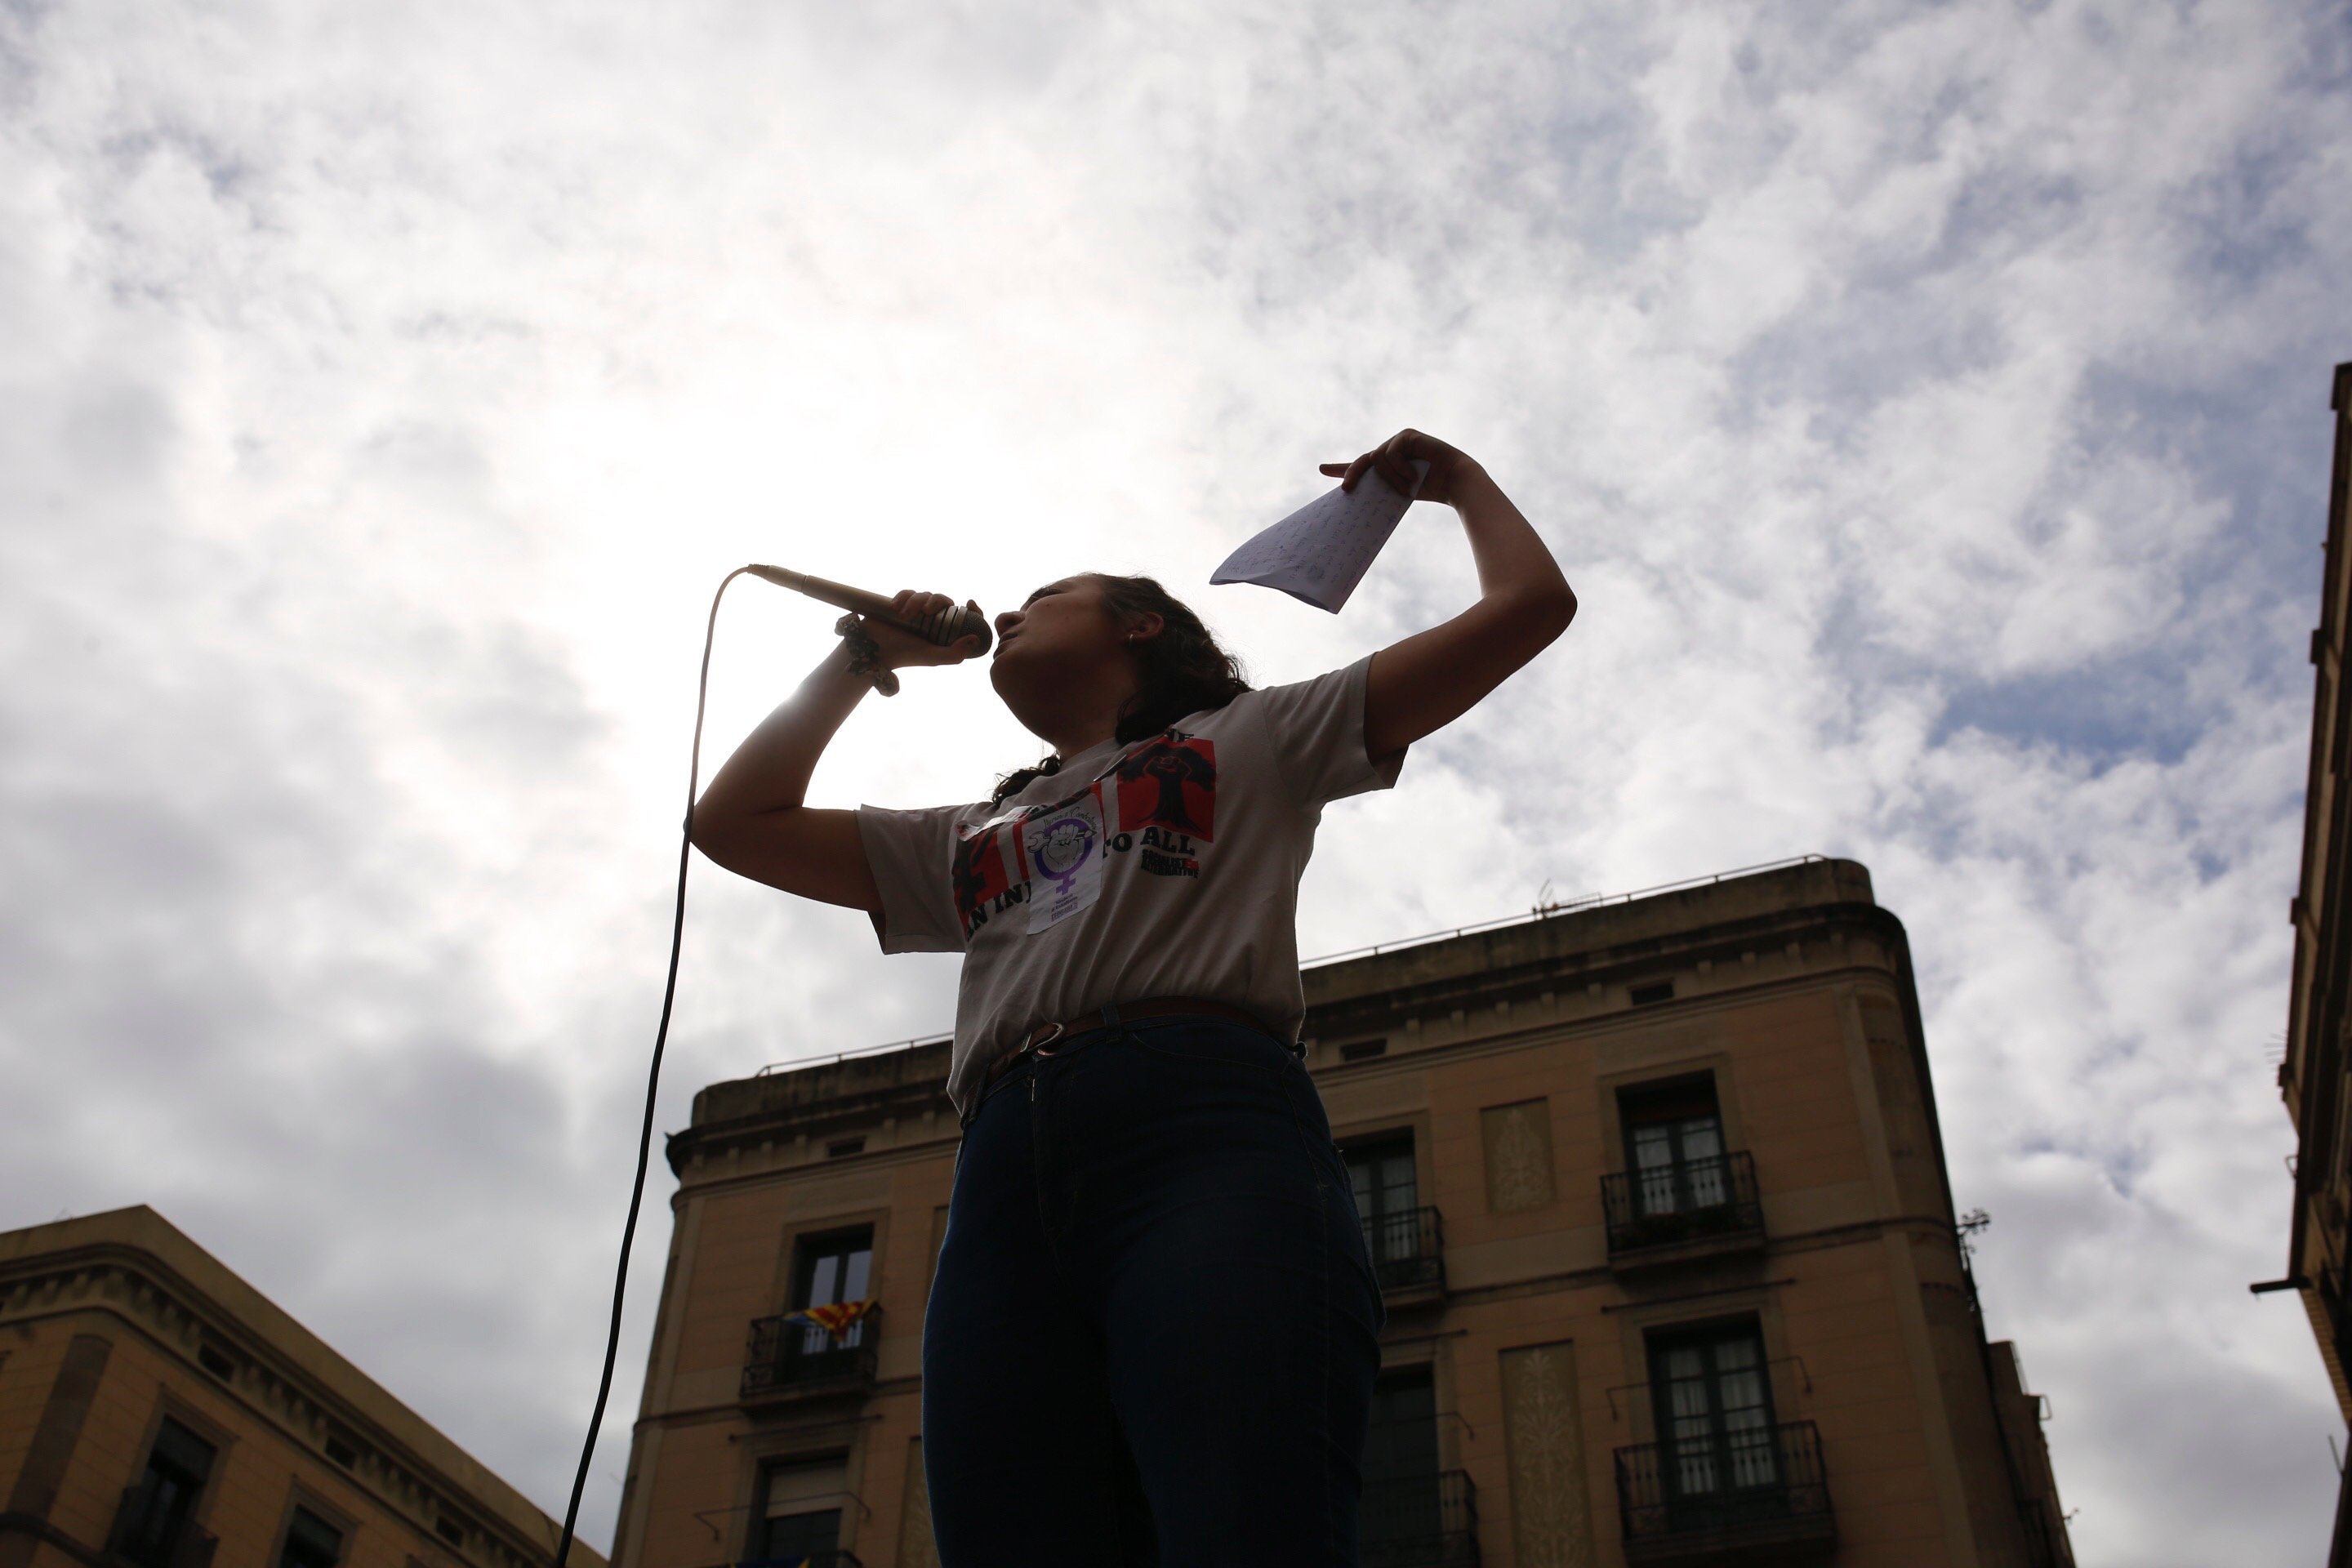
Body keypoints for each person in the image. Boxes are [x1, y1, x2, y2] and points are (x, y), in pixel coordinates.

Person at [691, 428, 1576, 1566]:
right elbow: (733, 824)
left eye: (1046, 597)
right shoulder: (970, 833)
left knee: (1245, 1521)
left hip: (1203, 1123)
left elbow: (1527, 608)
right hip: (1005, 1163)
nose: (1010, 615)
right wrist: (862, 658)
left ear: (1141, 626)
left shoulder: (1257, 735)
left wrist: (1453, 483)